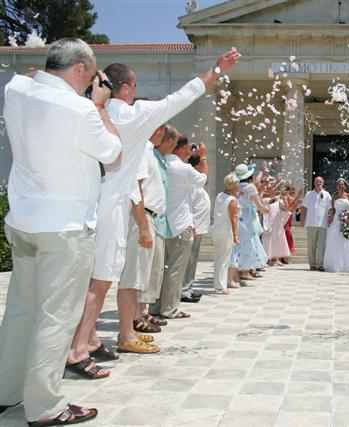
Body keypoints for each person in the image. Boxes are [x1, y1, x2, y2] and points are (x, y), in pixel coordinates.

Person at [68, 48, 240, 370]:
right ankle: (77, 349)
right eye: (134, 86)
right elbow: (184, 95)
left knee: (95, 279)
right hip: (114, 206)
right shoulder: (135, 115)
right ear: (127, 88)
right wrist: (217, 68)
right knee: (101, 281)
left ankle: (90, 339)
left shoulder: (90, 111)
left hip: (86, 203)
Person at [0, 38, 121, 426]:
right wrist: (99, 105)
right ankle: (46, 406)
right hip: (65, 229)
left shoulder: (16, 90)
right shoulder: (81, 109)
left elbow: (26, 78)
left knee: (20, 312)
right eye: (92, 74)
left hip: (23, 222)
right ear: (81, 69)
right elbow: (113, 154)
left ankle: (6, 392)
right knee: (56, 317)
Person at [152, 136, 207, 320]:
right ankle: (170, 308)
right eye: (188, 148)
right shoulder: (183, 168)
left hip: (163, 224)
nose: (190, 151)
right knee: (176, 269)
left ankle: (156, 305)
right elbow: (202, 179)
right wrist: (203, 157)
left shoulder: (161, 163)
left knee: (163, 268)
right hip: (181, 224)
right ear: (180, 148)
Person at [134, 125, 178, 332]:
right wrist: (143, 225)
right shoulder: (144, 150)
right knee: (142, 270)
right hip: (146, 215)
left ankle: (143, 312)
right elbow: (138, 187)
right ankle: (136, 316)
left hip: (155, 217)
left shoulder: (153, 153)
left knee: (153, 269)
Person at [182, 151, 211, 303]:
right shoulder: (192, 183)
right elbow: (189, 206)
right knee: (188, 260)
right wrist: (192, 224)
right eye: (203, 163)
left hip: (199, 227)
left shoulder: (195, 183)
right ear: (198, 165)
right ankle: (184, 290)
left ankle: (188, 288)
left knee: (192, 261)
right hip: (194, 227)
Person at [233, 163, 270, 280]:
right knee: (249, 244)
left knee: (240, 245)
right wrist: (266, 210)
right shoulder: (250, 187)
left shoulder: (235, 186)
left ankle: (239, 270)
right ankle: (245, 271)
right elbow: (259, 204)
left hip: (238, 216)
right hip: (248, 219)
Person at [211, 173, 241, 294]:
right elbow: (233, 219)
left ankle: (218, 283)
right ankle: (221, 286)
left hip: (217, 229)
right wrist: (235, 235)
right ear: (234, 186)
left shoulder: (220, 195)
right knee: (224, 259)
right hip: (226, 231)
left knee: (219, 258)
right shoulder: (232, 200)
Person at [301, 176, 332, 271]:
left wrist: (330, 218)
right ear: (314, 183)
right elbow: (304, 207)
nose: (318, 183)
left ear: (323, 183)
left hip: (323, 223)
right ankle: (312, 264)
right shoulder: (309, 194)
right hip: (311, 223)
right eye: (317, 182)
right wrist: (302, 219)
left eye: (320, 182)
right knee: (311, 245)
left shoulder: (327, 194)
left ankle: (320, 264)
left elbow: (330, 208)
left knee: (321, 245)